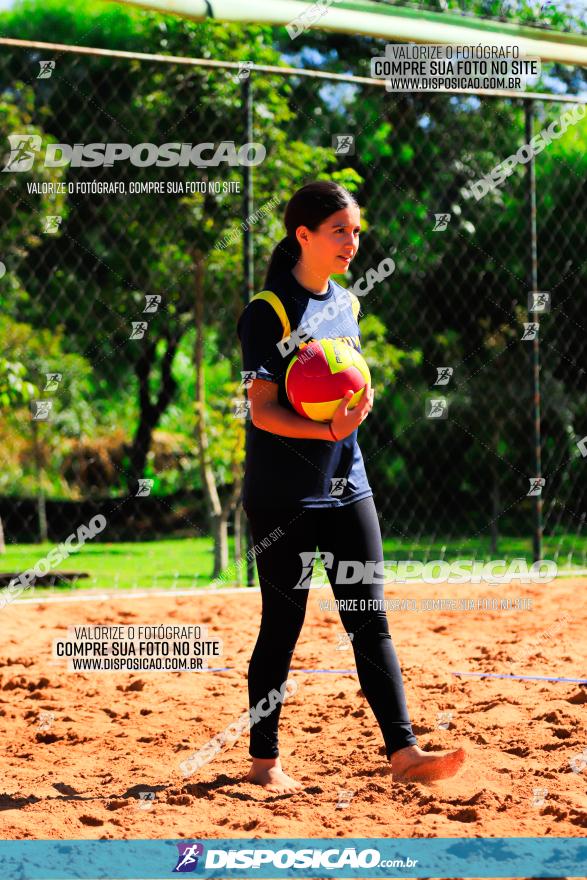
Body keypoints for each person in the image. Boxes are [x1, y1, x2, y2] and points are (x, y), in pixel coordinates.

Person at [236, 180, 466, 793]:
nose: (352, 242)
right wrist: (326, 428)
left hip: (347, 483)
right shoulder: (267, 311)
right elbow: (261, 411)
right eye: (340, 230)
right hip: (283, 495)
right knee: (281, 624)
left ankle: (405, 752)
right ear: (303, 235)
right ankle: (264, 763)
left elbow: (346, 385)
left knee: (369, 617)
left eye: (357, 231)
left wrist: (356, 405)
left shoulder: (348, 304)